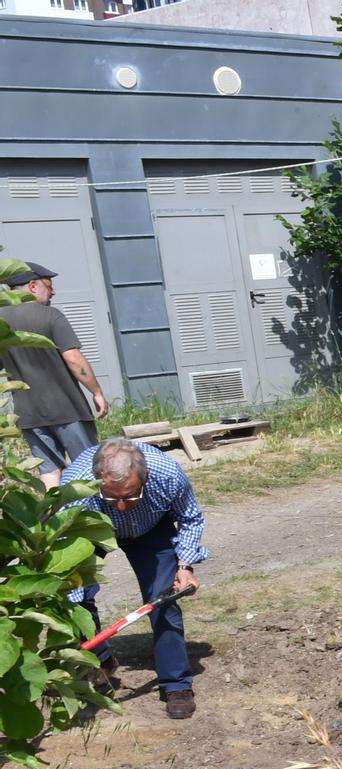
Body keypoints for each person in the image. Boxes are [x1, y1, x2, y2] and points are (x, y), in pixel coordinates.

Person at [61, 439, 207, 719]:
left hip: (151, 527)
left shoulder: (166, 473)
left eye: (130, 496)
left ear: (145, 479)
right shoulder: (76, 484)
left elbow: (190, 518)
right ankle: (101, 662)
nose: (121, 506)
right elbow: (64, 536)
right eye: (111, 497)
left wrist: (185, 566)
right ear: (96, 481)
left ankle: (176, 684)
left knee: (164, 598)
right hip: (92, 529)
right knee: (74, 597)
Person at [1, 262, 110, 487]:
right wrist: (96, 392)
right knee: (88, 466)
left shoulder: (1, 323)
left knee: (49, 470)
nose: (53, 292)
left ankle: (54, 520)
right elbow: (73, 358)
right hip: (67, 409)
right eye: (48, 286)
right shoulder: (50, 315)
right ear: (32, 286)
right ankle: (96, 517)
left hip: (28, 414)